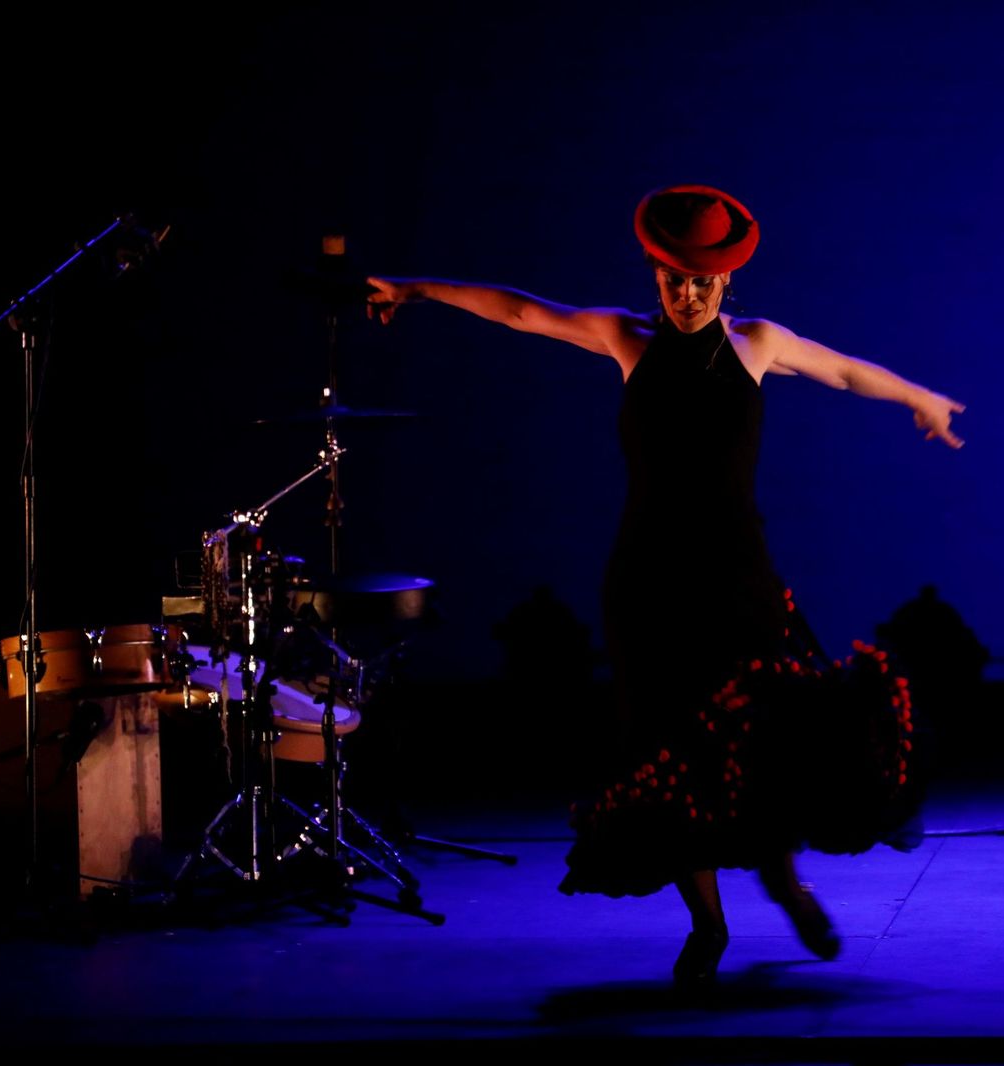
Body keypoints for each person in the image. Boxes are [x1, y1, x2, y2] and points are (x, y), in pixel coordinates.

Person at [366, 184, 963, 988]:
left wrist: (920, 398)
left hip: (738, 573)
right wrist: (412, 290)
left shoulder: (757, 344)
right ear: (655, 275)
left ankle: (785, 883)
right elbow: (518, 311)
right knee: (669, 749)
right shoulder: (626, 340)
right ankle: (708, 924)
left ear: (726, 283)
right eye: (672, 280)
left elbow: (846, 374)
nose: (685, 295)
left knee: (762, 734)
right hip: (648, 578)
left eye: (701, 283)